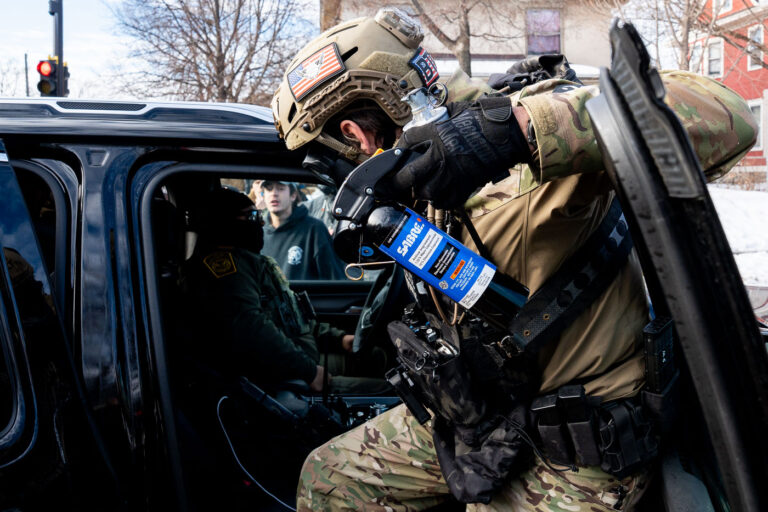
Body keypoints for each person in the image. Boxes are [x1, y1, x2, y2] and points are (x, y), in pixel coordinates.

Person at [271, 8, 757, 511]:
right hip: (487, 421)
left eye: (330, 154)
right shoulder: (418, 186)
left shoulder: (526, 124)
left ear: (355, 133)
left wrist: (515, 132)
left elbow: (730, 115)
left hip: (581, 452)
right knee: (330, 477)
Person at [181, 187, 389, 395]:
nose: (261, 222)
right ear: (225, 221)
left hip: (299, 359)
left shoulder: (249, 262)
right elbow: (252, 330)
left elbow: (290, 319)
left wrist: (339, 339)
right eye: (252, 216)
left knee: (378, 358)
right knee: (390, 392)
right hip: (280, 377)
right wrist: (309, 372)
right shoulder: (226, 271)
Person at [260, 180, 347, 280]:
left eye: (281, 188)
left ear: (293, 195)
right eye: (269, 189)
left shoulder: (314, 229)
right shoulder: (258, 233)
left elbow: (335, 280)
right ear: (263, 196)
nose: (274, 194)